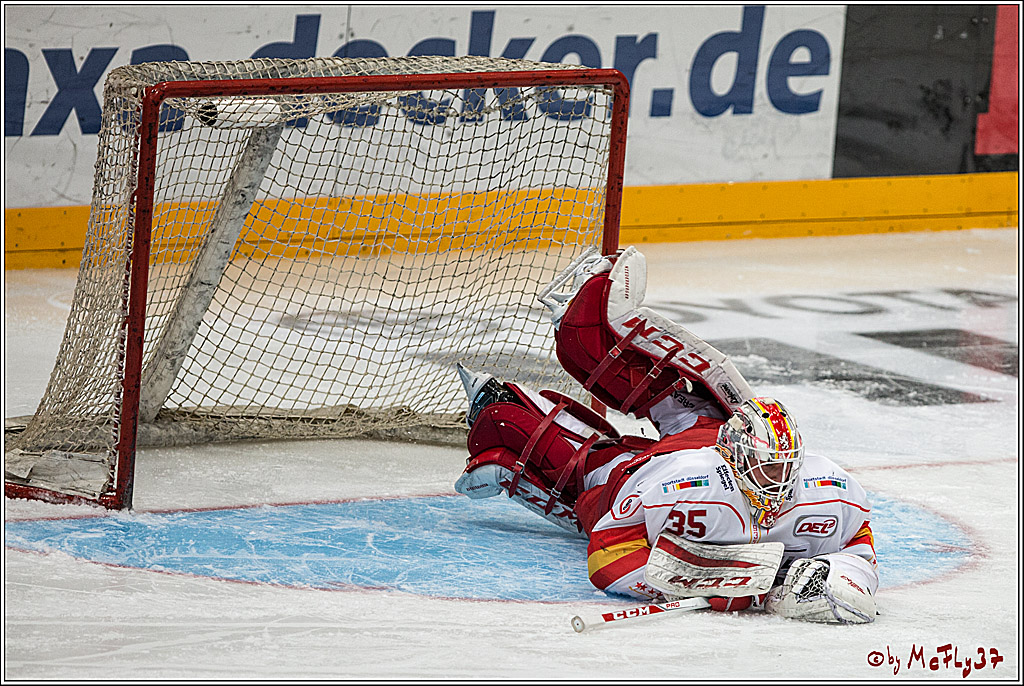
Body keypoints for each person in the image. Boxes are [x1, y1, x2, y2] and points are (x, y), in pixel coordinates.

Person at [454, 246, 879, 624]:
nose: (779, 482)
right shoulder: (679, 486)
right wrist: (710, 586)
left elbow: (860, 550)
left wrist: (838, 579)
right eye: (767, 468)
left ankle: (501, 407)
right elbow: (607, 555)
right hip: (648, 471)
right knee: (595, 470)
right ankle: (585, 338)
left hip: (707, 436)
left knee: (683, 412)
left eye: (785, 468)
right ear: (736, 457)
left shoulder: (831, 488)